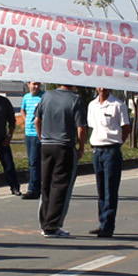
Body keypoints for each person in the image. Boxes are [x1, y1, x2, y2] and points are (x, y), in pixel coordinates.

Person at [34, 84, 86, 237]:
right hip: (64, 146)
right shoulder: (75, 100)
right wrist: (81, 146)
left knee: (46, 184)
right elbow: (81, 128)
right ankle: (52, 225)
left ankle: (44, 223)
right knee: (60, 186)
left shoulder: (47, 96)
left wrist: (42, 137)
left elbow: (37, 120)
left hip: (46, 145)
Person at [86, 85, 129, 237]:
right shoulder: (92, 105)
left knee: (110, 189)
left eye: (105, 86)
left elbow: (126, 127)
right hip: (97, 150)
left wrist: (117, 143)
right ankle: (102, 221)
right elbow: (92, 126)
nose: (102, 89)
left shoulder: (118, 105)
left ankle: (108, 225)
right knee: (101, 189)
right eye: (99, 86)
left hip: (111, 150)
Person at [20, 80, 45, 200]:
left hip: (39, 133)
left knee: (35, 161)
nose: (36, 86)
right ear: (28, 84)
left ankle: (33, 189)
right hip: (28, 133)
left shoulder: (44, 97)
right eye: (34, 84)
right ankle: (36, 186)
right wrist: (26, 120)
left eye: (38, 84)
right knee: (32, 161)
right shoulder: (26, 97)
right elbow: (22, 110)